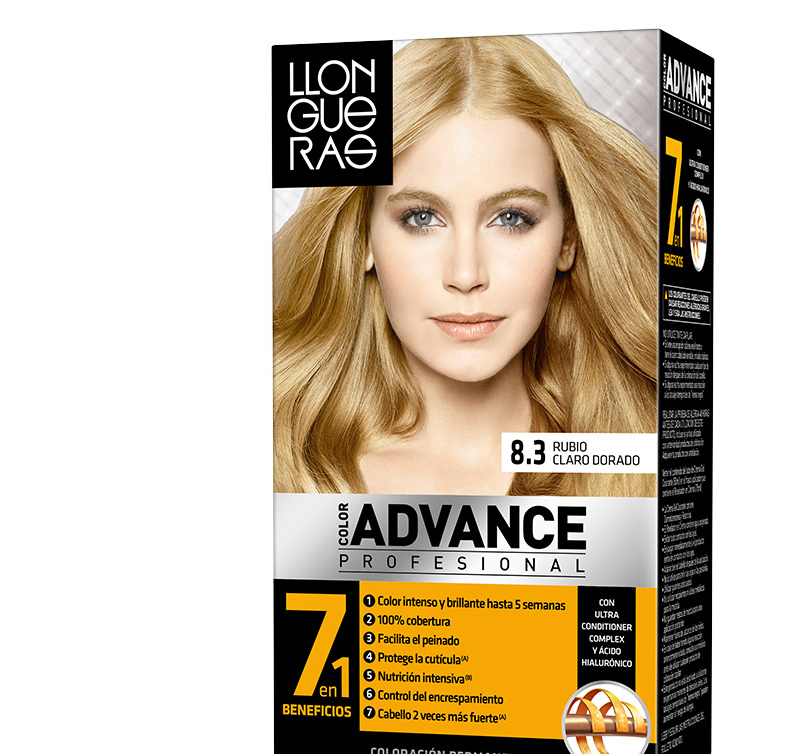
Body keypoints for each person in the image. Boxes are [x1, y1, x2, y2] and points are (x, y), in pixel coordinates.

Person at [274, 35, 658, 497]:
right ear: (363, 238)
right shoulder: (280, 468)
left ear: (568, 237)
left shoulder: (647, 465)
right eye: (421, 218)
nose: (465, 275)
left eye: (511, 218)